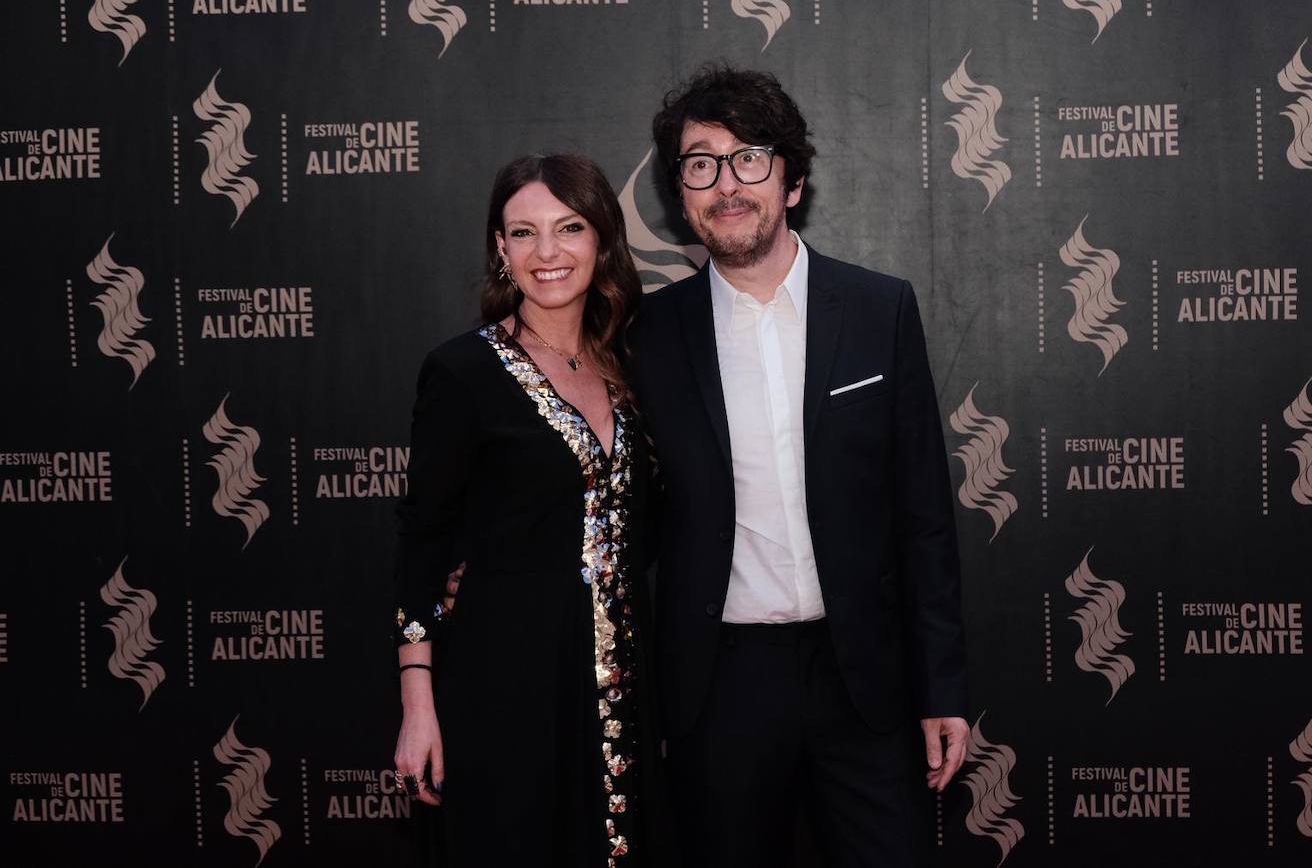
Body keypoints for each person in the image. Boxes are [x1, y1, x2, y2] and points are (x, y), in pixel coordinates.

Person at [627, 65, 971, 867]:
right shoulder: (647, 334)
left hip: (863, 680)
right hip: (719, 688)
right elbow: (617, 503)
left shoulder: (880, 309)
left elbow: (923, 516)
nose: (726, 182)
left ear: (793, 180)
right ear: (681, 195)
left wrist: (942, 687)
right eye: (701, 163)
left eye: (749, 157)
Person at [391, 153, 651, 867]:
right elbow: (422, 542)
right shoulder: (462, 372)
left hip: (621, 686)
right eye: (523, 232)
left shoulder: (633, 364)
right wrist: (418, 706)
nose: (547, 252)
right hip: (505, 680)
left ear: (602, 238)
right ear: (500, 249)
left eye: (569, 227)